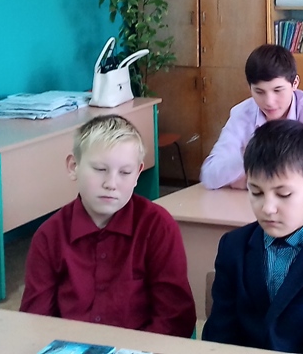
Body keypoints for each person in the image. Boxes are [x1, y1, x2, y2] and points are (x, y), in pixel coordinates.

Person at [20, 115, 196, 337]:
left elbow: (174, 317)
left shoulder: (157, 227)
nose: (111, 184)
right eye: (100, 169)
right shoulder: (49, 235)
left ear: (138, 174)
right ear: (73, 166)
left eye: (125, 172)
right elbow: (36, 320)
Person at [203, 120, 303, 353]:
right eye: (256, 192)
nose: (267, 208)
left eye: (283, 194)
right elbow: (219, 336)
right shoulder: (233, 246)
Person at [200, 44, 303, 189]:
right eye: (259, 92)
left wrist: (250, 177)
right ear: (249, 88)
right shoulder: (241, 113)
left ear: (295, 83)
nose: (269, 102)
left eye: (278, 90)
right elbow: (210, 175)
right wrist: (254, 161)